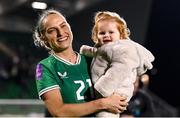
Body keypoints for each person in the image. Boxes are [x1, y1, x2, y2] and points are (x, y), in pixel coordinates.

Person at [32, 9, 128, 117]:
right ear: (43, 38)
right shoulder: (45, 67)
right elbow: (59, 111)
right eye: (52, 30)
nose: (60, 32)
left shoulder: (92, 59)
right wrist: (102, 104)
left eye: (63, 25)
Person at [80, 11, 155, 117]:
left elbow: (119, 69)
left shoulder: (122, 49)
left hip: (113, 93)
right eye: (102, 33)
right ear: (96, 35)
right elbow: (98, 53)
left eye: (111, 32)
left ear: (121, 34)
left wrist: (102, 89)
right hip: (107, 94)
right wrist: (85, 51)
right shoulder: (106, 48)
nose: (106, 35)